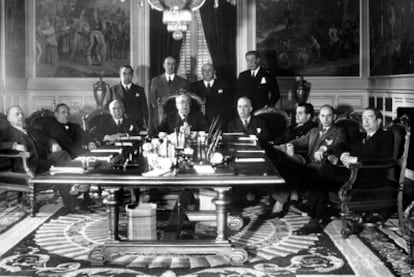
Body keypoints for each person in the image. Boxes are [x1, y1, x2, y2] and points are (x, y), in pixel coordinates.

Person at [295, 108, 394, 235]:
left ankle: (314, 216)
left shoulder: (386, 136)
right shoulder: (362, 136)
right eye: (363, 118)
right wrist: (343, 155)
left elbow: (383, 158)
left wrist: (355, 159)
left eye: (369, 118)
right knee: (324, 171)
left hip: (372, 178)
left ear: (379, 121)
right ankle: (315, 213)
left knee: (323, 175)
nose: (365, 121)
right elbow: (339, 146)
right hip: (356, 173)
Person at [265, 105, 346, 216]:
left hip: (324, 165)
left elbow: (339, 145)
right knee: (287, 163)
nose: (325, 119)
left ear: (334, 117)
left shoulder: (339, 131)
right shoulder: (314, 131)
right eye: (322, 116)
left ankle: (280, 204)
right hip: (309, 161)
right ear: (319, 117)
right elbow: (299, 142)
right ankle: (292, 198)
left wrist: (325, 148)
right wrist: (287, 145)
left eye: (329, 116)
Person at [0, 106, 83, 212]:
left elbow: (45, 138)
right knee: (60, 170)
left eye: (21, 113)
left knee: (62, 155)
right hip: (27, 164)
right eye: (17, 114)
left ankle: (74, 183)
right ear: (8, 118)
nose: (21, 116)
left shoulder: (29, 129)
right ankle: (72, 202)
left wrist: (53, 143)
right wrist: (12, 145)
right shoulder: (6, 131)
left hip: (42, 158)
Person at [149, 56, 191, 129]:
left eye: (173, 64)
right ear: (163, 65)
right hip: (160, 117)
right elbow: (152, 100)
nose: (170, 67)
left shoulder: (183, 82)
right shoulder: (155, 81)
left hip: (176, 119)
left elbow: (186, 101)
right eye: (168, 64)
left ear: (176, 66)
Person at [105, 65, 148, 130]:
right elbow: (107, 109)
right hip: (119, 126)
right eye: (124, 74)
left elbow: (145, 110)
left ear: (132, 75)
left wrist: (148, 126)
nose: (127, 76)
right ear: (120, 75)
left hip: (137, 126)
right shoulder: (113, 90)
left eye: (129, 74)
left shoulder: (140, 90)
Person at [191, 63, 231, 128]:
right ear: (201, 72)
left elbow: (228, 106)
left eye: (209, 70)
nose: (207, 72)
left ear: (214, 72)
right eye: (204, 70)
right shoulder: (194, 86)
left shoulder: (223, 85)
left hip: (219, 123)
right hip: (201, 122)